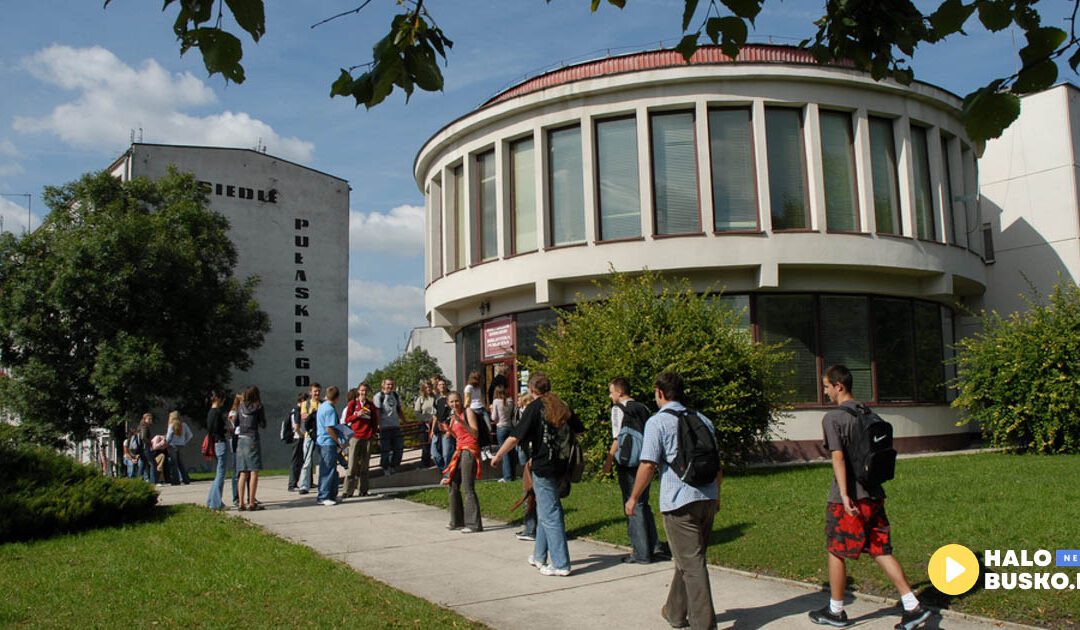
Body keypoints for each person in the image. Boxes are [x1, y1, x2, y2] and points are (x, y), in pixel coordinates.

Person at [809, 365, 932, 629]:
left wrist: (844, 495)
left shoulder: (833, 418)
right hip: (874, 494)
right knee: (880, 548)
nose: (825, 392)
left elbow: (838, 457)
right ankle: (913, 606)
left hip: (850, 498)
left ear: (839, 386)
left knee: (836, 550)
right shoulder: (868, 413)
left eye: (827, 387)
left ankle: (835, 611)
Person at [625, 372, 721, 630]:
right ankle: (675, 612)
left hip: (679, 502)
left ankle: (704, 625)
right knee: (688, 559)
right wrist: (717, 497)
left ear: (660, 392)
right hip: (707, 497)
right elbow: (718, 464)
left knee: (692, 565)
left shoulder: (657, 422)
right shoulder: (703, 419)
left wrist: (633, 497)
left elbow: (648, 464)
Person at [491, 372, 584, 577]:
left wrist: (498, 455)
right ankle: (539, 556)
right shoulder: (561, 405)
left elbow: (515, 437)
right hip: (562, 465)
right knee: (545, 510)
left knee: (551, 514)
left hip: (543, 466)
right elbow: (579, 429)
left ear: (532, 389)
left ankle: (561, 564)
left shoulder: (534, 408)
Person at [604, 377, 662, 564]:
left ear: (620, 392)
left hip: (627, 461)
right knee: (643, 503)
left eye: (611, 392)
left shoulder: (618, 409)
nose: (610, 396)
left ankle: (641, 552)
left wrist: (608, 461)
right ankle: (654, 545)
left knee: (632, 503)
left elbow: (617, 438)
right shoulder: (642, 408)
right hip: (645, 459)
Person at [442, 391, 483, 532]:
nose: (455, 404)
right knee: (452, 484)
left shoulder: (468, 412)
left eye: (457, 401)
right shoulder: (453, 416)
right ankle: (457, 521)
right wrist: (449, 430)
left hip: (469, 450)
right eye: (451, 402)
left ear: (461, 401)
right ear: (448, 403)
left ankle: (473, 524)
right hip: (459, 451)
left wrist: (461, 422)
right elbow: (457, 435)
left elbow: (475, 433)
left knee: (467, 487)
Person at [235, 385, 267, 511]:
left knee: (243, 472)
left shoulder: (240, 406)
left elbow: (236, 422)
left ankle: (241, 503)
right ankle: (252, 502)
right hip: (252, 438)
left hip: (241, 438)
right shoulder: (258, 406)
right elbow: (263, 423)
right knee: (254, 471)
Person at [344, 383, 378, 498]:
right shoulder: (353, 404)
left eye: (365, 391)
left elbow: (375, 421)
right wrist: (357, 415)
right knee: (352, 465)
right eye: (362, 390)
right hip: (355, 437)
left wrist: (372, 433)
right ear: (358, 391)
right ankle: (347, 491)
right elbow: (347, 419)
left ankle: (363, 489)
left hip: (367, 437)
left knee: (365, 466)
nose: (364, 393)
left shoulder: (370, 405)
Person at [316, 386, 344, 506]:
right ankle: (323, 496)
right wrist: (339, 440)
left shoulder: (322, 406)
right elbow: (329, 428)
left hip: (322, 441)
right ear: (337, 398)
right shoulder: (330, 409)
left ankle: (331, 495)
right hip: (327, 442)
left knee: (332, 470)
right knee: (327, 470)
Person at [374, 378, 404, 475]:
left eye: (391, 384)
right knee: (385, 449)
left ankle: (394, 466)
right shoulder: (379, 396)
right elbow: (377, 412)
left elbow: (399, 409)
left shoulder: (395, 395)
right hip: (385, 427)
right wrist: (379, 425)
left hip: (395, 426)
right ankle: (385, 467)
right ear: (383, 385)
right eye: (388, 384)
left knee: (399, 448)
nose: (390, 386)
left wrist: (404, 421)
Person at [205, 390, 228, 510]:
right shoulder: (217, 413)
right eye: (223, 399)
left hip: (214, 443)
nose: (224, 402)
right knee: (221, 474)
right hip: (220, 443)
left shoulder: (210, 412)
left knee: (219, 473)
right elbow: (218, 429)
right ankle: (215, 503)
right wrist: (227, 429)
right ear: (218, 399)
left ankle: (211, 500)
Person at [298, 383, 322, 495]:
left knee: (323, 460)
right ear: (310, 392)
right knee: (307, 461)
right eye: (315, 391)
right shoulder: (305, 404)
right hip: (309, 435)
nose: (317, 393)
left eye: (318, 391)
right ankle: (304, 485)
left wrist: (312, 415)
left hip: (320, 435)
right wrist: (313, 414)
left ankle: (322, 484)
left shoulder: (322, 404)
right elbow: (303, 416)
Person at [491, 384, 516, 482]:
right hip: (510, 427)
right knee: (511, 452)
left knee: (504, 452)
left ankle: (507, 476)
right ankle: (512, 474)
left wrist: (491, 409)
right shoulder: (510, 401)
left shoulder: (496, 401)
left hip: (501, 427)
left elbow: (494, 417)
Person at [287, 392, 308, 492]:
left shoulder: (295, 410)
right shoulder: (297, 410)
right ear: (302, 401)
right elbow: (296, 426)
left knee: (300, 460)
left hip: (298, 437)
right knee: (296, 461)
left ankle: (302, 481)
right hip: (298, 437)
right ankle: (292, 484)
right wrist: (301, 435)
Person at [165, 410, 193, 485]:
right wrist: (184, 442)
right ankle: (186, 479)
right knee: (181, 463)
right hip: (181, 445)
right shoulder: (184, 425)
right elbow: (190, 435)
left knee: (174, 464)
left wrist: (166, 443)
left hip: (172, 446)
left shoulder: (171, 425)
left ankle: (175, 480)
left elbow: (169, 436)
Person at [433, 378, 453, 478]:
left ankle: (447, 475)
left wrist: (449, 429)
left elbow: (453, 415)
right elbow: (435, 416)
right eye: (440, 384)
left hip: (447, 429)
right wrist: (432, 430)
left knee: (446, 454)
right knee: (435, 454)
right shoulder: (437, 399)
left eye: (443, 384)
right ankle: (444, 471)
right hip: (437, 430)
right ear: (437, 387)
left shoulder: (450, 398)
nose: (442, 386)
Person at [413, 381, 435, 468]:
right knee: (425, 444)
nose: (428, 389)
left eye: (429, 387)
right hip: (424, 424)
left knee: (435, 443)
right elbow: (417, 412)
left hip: (434, 422)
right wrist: (426, 420)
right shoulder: (421, 399)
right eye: (426, 387)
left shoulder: (435, 397)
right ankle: (425, 463)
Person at [226, 393, 243, 507]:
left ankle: (248, 496)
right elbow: (233, 425)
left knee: (247, 470)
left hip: (244, 438)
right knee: (236, 469)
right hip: (235, 439)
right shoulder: (233, 412)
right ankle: (236, 496)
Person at [137, 412, 157, 484]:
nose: (150, 420)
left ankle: (138, 480)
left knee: (143, 463)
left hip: (141, 448)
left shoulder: (140, 426)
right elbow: (143, 437)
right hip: (145, 448)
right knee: (153, 463)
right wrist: (149, 442)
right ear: (144, 419)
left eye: (151, 419)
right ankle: (153, 481)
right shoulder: (144, 427)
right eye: (149, 419)